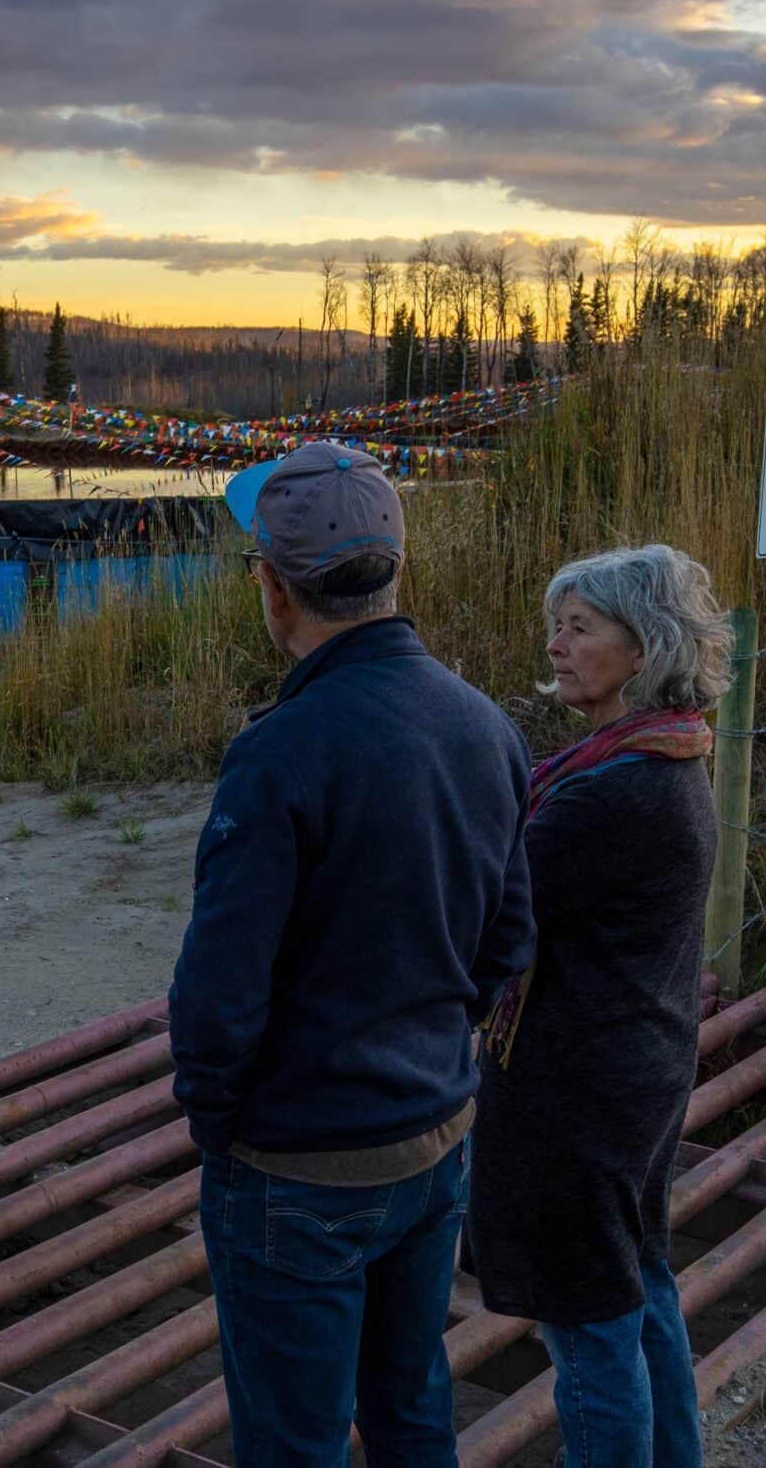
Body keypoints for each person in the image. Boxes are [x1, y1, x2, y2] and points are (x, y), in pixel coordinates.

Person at [168, 442, 535, 1468]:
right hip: (431, 1138)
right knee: (414, 1412)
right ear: (396, 570)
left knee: (293, 1442)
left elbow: (217, 996)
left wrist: (222, 1121)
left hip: (294, 1164)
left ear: (272, 590)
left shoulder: (279, 752)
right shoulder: (487, 726)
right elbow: (509, 938)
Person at [469, 544, 733, 1468]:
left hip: (580, 1095)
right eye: (558, 624)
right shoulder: (666, 754)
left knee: (587, 1325)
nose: (556, 644)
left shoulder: (617, 790)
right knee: (639, 1284)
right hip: (638, 1072)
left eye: (581, 628)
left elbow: (491, 907)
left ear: (644, 644)